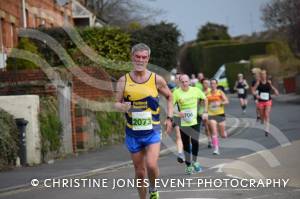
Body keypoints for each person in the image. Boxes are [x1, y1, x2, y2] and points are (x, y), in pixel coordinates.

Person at [115, 43, 173, 199]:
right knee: (140, 172)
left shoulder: (156, 79)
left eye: (144, 57)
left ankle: (153, 189)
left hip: (153, 130)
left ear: (148, 59)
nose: (140, 60)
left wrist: (169, 118)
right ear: (132, 57)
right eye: (137, 57)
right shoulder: (123, 81)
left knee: (152, 165)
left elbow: (170, 96)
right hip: (132, 132)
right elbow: (116, 103)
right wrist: (122, 107)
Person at [173, 74, 208, 174]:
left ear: (189, 81)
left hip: (195, 119)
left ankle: (195, 161)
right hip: (183, 121)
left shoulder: (195, 90)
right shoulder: (176, 93)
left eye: (186, 81)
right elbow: (170, 107)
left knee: (195, 141)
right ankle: (188, 165)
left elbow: (205, 99)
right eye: (182, 82)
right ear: (180, 82)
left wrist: (205, 111)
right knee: (186, 143)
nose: (184, 84)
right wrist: (177, 113)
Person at [252, 70, 279, 137]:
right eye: (262, 74)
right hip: (261, 101)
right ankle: (262, 120)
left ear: (266, 75)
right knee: (262, 116)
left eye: (264, 74)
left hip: (268, 101)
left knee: (266, 114)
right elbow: (253, 90)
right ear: (260, 76)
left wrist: (276, 91)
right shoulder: (258, 83)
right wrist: (256, 95)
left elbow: (272, 88)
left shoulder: (268, 82)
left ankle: (267, 129)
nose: (263, 76)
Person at [207, 79, 229, 155]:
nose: (212, 85)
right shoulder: (207, 93)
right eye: (211, 83)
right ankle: (216, 149)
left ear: (216, 85)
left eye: (214, 83)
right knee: (214, 131)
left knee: (223, 135)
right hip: (211, 115)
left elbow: (226, 101)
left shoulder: (220, 92)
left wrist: (220, 103)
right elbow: (204, 103)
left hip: (220, 114)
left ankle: (224, 133)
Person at [169, 73, 185, 163]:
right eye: (177, 78)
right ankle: (180, 153)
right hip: (177, 117)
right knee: (179, 135)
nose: (178, 80)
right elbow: (170, 107)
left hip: (188, 118)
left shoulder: (189, 91)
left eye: (180, 78)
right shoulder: (172, 92)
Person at [199, 78, 212, 148]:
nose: (206, 84)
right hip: (203, 111)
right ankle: (209, 140)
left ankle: (213, 136)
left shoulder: (211, 91)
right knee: (207, 126)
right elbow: (198, 102)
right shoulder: (200, 92)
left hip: (212, 110)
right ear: (202, 84)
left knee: (211, 126)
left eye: (207, 83)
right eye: (204, 83)